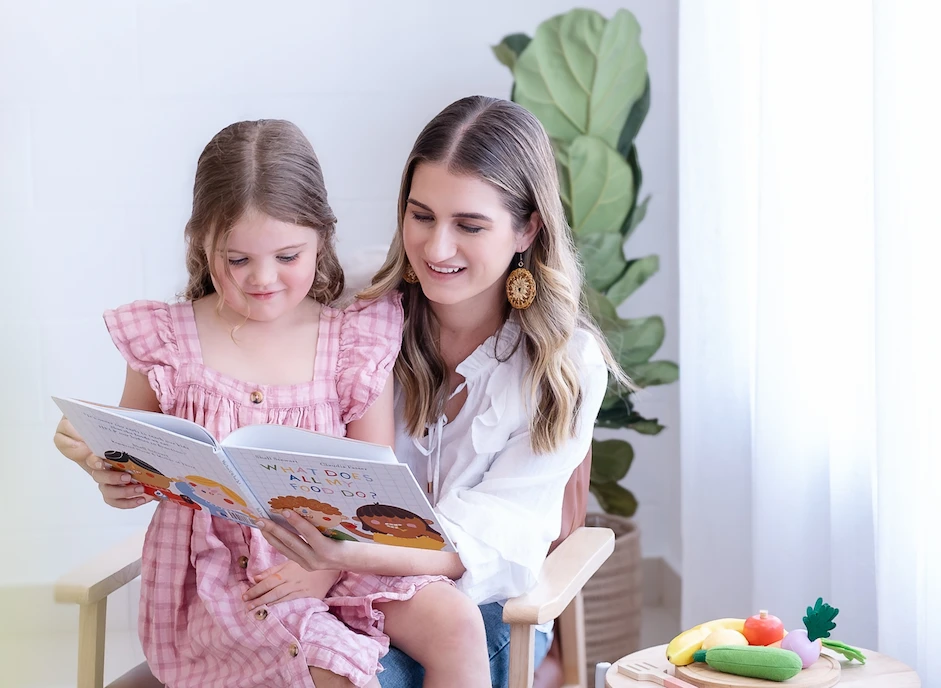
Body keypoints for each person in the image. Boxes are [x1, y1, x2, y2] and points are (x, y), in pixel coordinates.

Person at [52, 118, 490, 688]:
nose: (263, 280)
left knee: (456, 620)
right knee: (330, 673)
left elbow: (374, 482)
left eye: (288, 256)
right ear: (202, 243)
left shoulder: (351, 340)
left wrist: (330, 564)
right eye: (237, 260)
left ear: (321, 239)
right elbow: (134, 468)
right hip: (228, 582)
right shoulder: (167, 341)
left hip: (340, 557)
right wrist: (108, 476)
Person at [256, 95, 627, 688]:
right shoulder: (356, 305)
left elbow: (497, 545)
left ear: (527, 227)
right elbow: (229, 343)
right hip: (332, 582)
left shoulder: (564, 365)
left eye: (470, 225)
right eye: (421, 215)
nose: (435, 248)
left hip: (479, 614)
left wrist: (351, 556)